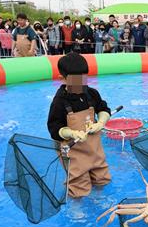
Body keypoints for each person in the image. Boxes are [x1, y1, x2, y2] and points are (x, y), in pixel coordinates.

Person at [47, 53, 112, 198]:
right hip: (73, 151)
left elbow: (104, 109)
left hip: (94, 149)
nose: (80, 85)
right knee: (78, 185)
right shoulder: (59, 101)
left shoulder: (92, 93)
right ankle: (77, 207)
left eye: (83, 79)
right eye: (75, 81)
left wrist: (101, 122)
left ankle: (100, 197)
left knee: (102, 178)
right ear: (62, 79)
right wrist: (71, 133)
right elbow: (54, 128)